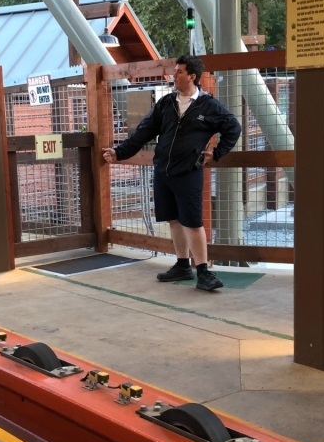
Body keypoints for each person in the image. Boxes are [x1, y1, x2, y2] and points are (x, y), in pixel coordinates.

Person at [102, 55, 241, 291]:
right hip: (163, 171)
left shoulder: (209, 105)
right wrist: (119, 152)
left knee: (193, 222)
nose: (173, 75)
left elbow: (233, 128)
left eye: (178, 72)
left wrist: (216, 153)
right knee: (174, 219)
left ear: (192, 76)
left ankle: (204, 272)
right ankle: (182, 264)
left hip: (189, 172)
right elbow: (143, 132)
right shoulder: (166, 103)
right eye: (174, 71)